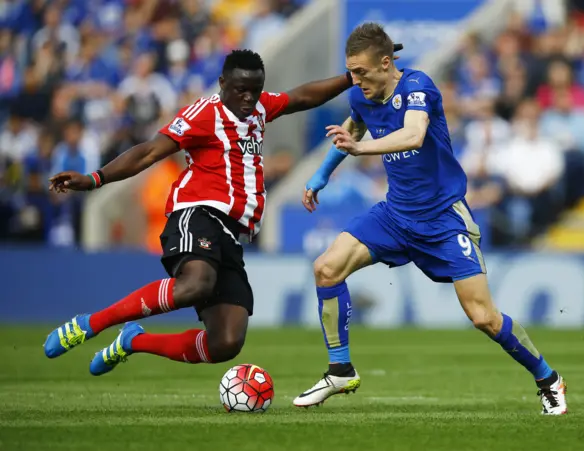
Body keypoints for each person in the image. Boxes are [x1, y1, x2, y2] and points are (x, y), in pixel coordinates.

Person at [43, 49, 392, 375]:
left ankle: (133, 341)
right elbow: (150, 151)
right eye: (240, 89)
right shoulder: (203, 114)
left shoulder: (258, 108)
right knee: (195, 284)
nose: (248, 98)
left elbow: (301, 97)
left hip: (232, 232)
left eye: (255, 90)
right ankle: (92, 323)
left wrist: (351, 77)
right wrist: (94, 178)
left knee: (226, 342)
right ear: (223, 84)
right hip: (197, 213)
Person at [295, 23, 567, 415]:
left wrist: (361, 149)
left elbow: (414, 135)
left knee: (483, 317)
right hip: (395, 214)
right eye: (351, 71)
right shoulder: (363, 95)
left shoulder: (418, 86)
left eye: (362, 72)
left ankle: (548, 378)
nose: (354, 81)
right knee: (327, 267)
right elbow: (351, 131)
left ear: (386, 63)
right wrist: (320, 176)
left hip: (443, 220)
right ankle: (340, 368)